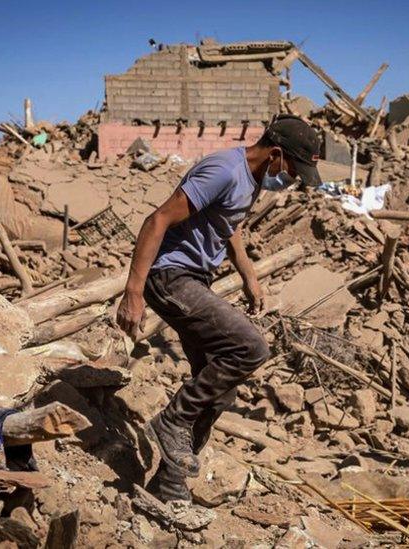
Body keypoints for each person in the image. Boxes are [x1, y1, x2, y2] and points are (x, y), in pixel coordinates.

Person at [115, 115, 322, 502]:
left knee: (218, 391)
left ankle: (169, 483)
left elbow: (231, 224)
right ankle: (172, 420)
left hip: (195, 279)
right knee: (251, 348)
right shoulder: (224, 169)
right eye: (293, 171)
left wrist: (249, 275)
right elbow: (156, 219)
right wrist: (133, 292)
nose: (292, 179)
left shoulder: (254, 178)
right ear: (276, 154)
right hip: (170, 275)